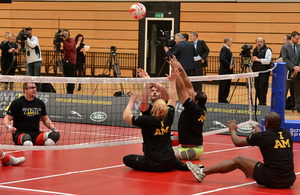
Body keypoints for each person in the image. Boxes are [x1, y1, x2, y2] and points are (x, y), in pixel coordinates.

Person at [187, 111, 296, 189]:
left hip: (272, 180)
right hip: (289, 180)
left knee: (239, 160)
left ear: (266, 124)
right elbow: (271, 141)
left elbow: (237, 142)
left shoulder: (262, 137)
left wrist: (233, 130)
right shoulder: (287, 134)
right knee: (263, 162)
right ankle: (250, 173)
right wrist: (259, 135)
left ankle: (201, 172)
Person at [123, 70, 189, 172]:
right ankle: (184, 166)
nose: (155, 92)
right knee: (169, 157)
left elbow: (126, 116)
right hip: (170, 162)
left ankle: (182, 165)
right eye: (152, 91)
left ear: (153, 109)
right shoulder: (169, 116)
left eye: (156, 91)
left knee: (126, 159)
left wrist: (131, 101)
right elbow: (172, 98)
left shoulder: (146, 120)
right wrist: (172, 81)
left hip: (154, 163)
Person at [168, 56, 207, 160]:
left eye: (192, 96)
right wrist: (181, 70)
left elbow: (181, 89)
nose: (191, 95)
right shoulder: (201, 107)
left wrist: (175, 71)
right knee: (163, 149)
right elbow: (189, 86)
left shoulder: (193, 108)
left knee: (161, 153)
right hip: (194, 148)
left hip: (191, 150)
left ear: (196, 101)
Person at [282, 31, 300, 112]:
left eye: (298, 38)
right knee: (285, 89)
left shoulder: (299, 46)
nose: (298, 40)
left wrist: (298, 67)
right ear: (292, 38)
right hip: (288, 72)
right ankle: (282, 107)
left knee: (298, 90)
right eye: (296, 38)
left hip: (298, 72)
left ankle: (298, 107)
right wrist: (293, 67)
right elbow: (285, 58)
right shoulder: (285, 47)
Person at [251, 37, 272, 106]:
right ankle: (260, 102)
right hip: (256, 73)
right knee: (257, 88)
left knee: (262, 88)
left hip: (264, 73)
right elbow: (253, 61)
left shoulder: (267, 50)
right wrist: (252, 60)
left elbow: (268, 61)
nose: (259, 43)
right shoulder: (255, 50)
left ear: (263, 42)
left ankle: (263, 103)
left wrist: (258, 60)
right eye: (258, 42)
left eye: (260, 42)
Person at [218, 37, 235, 103]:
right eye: (231, 42)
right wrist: (229, 65)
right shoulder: (224, 49)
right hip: (224, 72)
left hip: (228, 72)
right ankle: (221, 100)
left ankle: (224, 99)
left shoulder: (227, 49)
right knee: (223, 86)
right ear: (227, 42)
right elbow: (222, 58)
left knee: (227, 86)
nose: (231, 43)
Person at [62, 29, 76, 94]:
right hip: (66, 62)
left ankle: (71, 92)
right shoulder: (65, 41)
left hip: (71, 62)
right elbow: (66, 51)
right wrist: (59, 50)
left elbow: (69, 47)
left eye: (65, 34)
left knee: (70, 78)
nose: (64, 36)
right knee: (67, 77)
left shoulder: (72, 41)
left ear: (69, 34)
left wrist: (63, 41)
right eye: (63, 34)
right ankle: (68, 91)